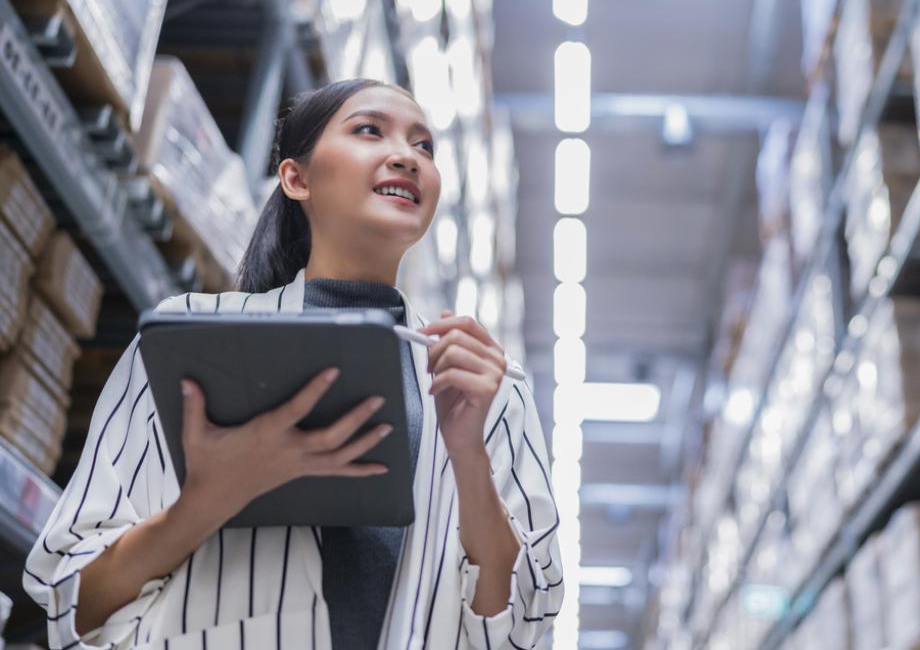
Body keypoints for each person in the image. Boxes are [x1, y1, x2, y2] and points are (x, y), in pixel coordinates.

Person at [25, 79, 562, 649]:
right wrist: (209, 500)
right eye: (369, 130)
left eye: (424, 147)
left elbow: (521, 628)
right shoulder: (189, 339)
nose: (407, 156)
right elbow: (72, 599)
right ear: (296, 178)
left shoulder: (489, 390)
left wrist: (468, 457)